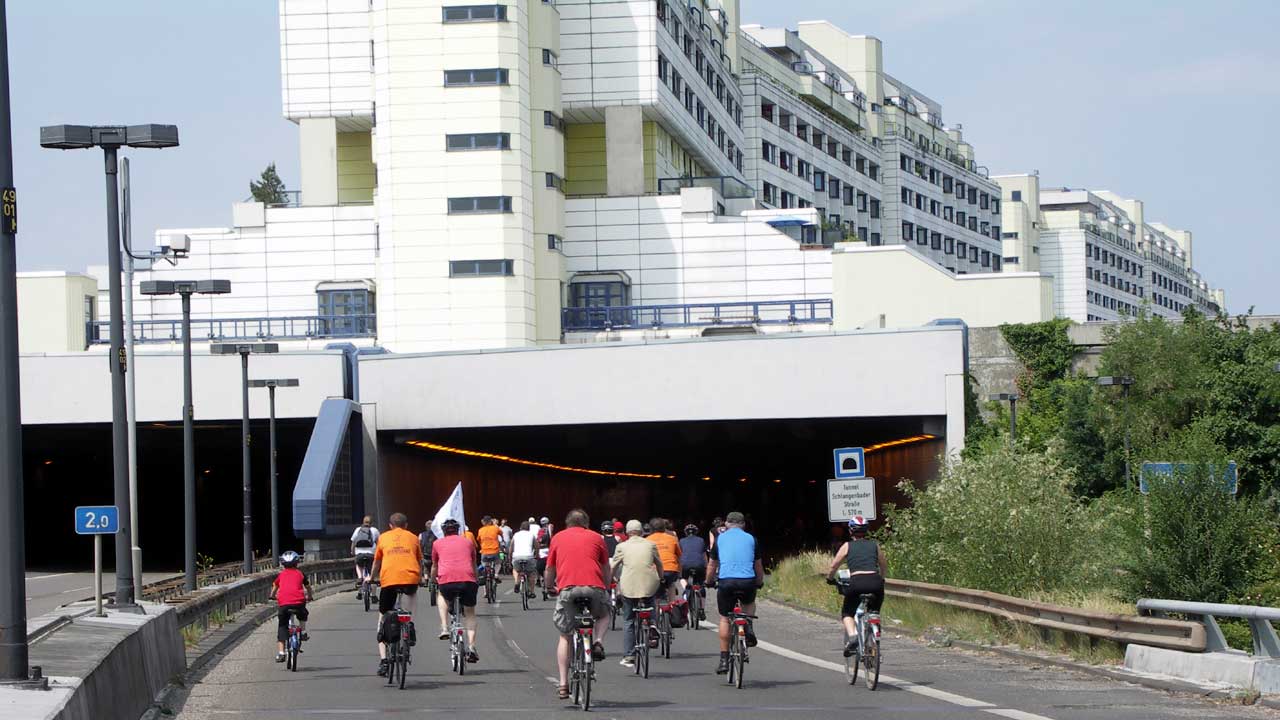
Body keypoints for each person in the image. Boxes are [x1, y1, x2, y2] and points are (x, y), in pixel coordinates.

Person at [546, 508, 610, 701]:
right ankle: (598, 642)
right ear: (586, 523)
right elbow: (605, 566)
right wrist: (605, 587)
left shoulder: (558, 537)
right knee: (605, 614)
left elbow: (550, 568)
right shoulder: (597, 538)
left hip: (568, 589)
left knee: (565, 635)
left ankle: (564, 684)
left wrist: (549, 587)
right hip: (594, 587)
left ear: (567, 523)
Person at [706, 511, 764, 675]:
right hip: (747, 581)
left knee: (725, 618)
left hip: (726, 582)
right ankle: (749, 627)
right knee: (749, 603)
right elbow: (758, 565)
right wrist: (759, 582)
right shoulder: (752, 539)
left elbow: (712, 564)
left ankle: (724, 660)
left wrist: (708, 581)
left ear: (727, 524)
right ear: (743, 524)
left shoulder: (720, 539)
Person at [827, 515, 887, 657]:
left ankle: (853, 636)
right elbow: (883, 564)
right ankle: (874, 632)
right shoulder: (874, 545)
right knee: (874, 611)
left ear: (850, 531)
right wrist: (882, 579)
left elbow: (834, 565)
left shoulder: (847, 546)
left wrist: (829, 578)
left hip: (857, 583)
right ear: (866, 531)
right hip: (875, 582)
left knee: (847, 612)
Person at [371, 512, 422, 677]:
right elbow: (419, 559)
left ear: (390, 525)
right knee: (412, 596)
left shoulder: (383, 538)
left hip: (389, 580)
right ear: (406, 525)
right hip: (410, 578)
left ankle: (384, 661)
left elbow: (377, 561)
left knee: (383, 616)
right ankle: (410, 624)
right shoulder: (414, 537)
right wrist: (421, 576)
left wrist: (371, 578)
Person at [610, 519, 662, 668]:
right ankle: (652, 624)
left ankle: (629, 655)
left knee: (628, 620)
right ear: (641, 532)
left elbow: (614, 566)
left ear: (627, 532)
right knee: (650, 602)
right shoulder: (650, 545)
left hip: (629, 586)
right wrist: (661, 577)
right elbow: (659, 564)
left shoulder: (622, 546)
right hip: (649, 584)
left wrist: (610, 580)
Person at [430, 518, 481, 663]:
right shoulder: (468, 542)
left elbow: (435, 565)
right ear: (458, 530)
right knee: (470, 613)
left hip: (447, 580)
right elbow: (473, 564)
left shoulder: (437, 543)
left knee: (441, 595)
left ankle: (445, 627)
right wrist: (476, 579)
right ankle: (471, 646)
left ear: (444, 531)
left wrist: (433, 580)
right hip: (467, 580)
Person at [269, 551, 313, 662]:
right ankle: (303, 632)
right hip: (299, 602)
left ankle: (281, 653)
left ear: (283, 564)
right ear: (297, 563)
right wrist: (310, 596)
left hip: (284, 603)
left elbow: (275, 586)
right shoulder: (300, 574)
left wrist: (272, 596)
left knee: (282, 626)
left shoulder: (281, 575)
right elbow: (308, 588)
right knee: (303, 614)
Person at [645, 518, 682, 603]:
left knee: (655, 590)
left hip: (655, 570)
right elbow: (679, 556)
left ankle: (657, 609)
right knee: (671, 585)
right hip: (671, 569)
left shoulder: (647, 540)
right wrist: (680, 571)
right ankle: (672, 605)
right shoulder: (672, 538)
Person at [678, 523, 708, 608]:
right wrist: (706, 567)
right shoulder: (701, 540)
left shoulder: (681, 541)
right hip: (699, 565)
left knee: (682, 578)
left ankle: (686, 590)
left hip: (685, 565)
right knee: (701, 585)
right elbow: (704, 556)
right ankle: (702, 608)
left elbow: (680, 556)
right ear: (696, 532)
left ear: (686, 533)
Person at [350, 516, 379, 596]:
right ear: (371, 523)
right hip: (371, 555)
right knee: (372, 576)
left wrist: (353, 552)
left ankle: (360, 578)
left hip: (359, 555)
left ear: (363, 522)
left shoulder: (357, 530)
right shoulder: (375, 530)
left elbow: (353, 543)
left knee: (358, 565)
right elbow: (379, 544)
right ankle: (373, 596)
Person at [509, 520, 538, 595]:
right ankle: (532, 591)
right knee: (531, 573)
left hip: (516, 557)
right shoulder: (531, 535)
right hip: (529, 557)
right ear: (529, 528)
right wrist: (536, 556)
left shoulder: (516, 535)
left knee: (515, 569)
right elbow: (536, 547)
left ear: (520, 528)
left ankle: (516, 582)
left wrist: (509, 559)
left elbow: (511, 548)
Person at [477, 515, 504, 585]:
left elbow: (479, 540)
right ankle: (496, 575)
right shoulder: (495, 528)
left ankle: (486, 574)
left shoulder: (480, 530)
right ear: (490, 521)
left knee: (484, 563)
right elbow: (501, 533)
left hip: (484, 552)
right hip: (495, 551)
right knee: (498, 563)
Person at [535, 516, 554, 588]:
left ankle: (539, 580)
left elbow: (538, 540)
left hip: (541, 550)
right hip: (549, 549)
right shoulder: (550, 527)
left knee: (538, 565)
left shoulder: (540, 530)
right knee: (550, 565)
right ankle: (552, 581)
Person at [418, 521, 435, 587]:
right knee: (434, 566)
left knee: (425, 568)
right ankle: (434, 580)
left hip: (425, 555)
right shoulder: (437, 535)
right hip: (434, 555)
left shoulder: (421, 534)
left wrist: (420, 554)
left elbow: (419, 544)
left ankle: (426, 580)